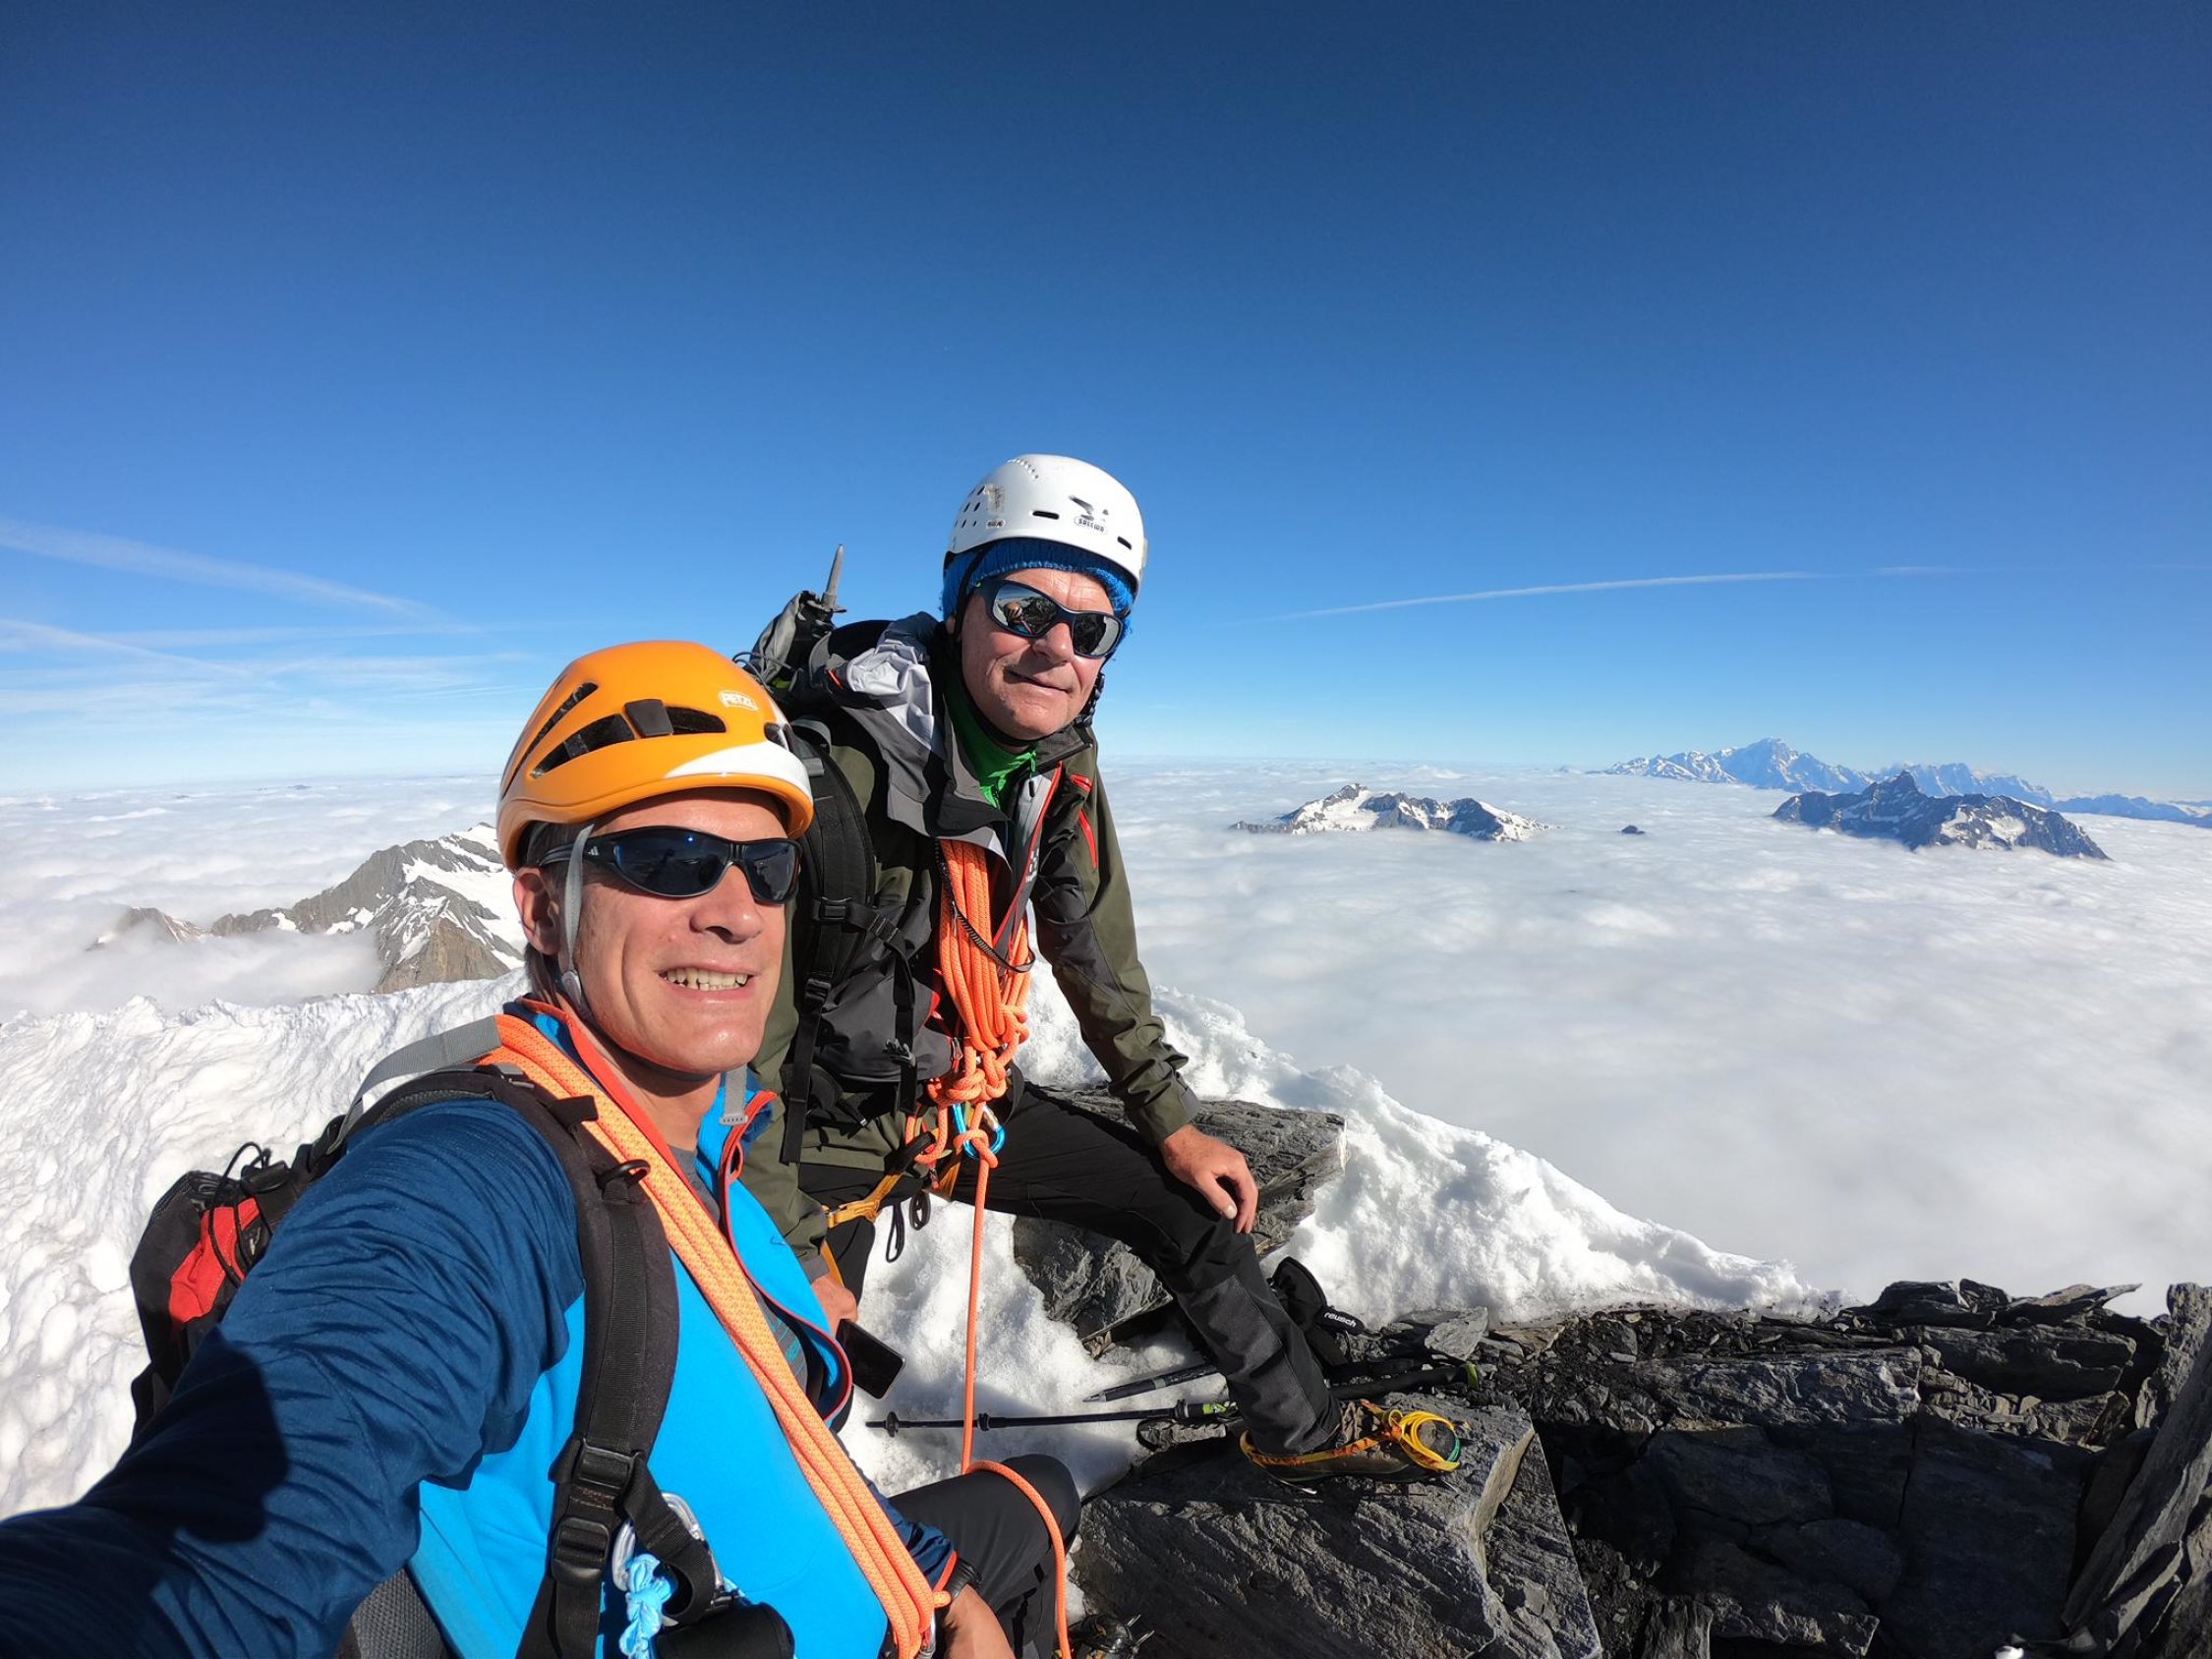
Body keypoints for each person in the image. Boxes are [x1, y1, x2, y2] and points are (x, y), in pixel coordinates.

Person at [0, 641, 1076, 1659]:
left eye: (766, 867)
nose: (738, 912)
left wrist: (939, 1582)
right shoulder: (483, 1172)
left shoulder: (705, 1157)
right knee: (1041, 1506)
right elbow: (223, 1532)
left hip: (885, 1588)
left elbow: (786, 1452)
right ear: (542, 911)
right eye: (670, 861)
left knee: (1037, 1497)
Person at [743, 455, 1459, 1483]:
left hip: (956, 1098)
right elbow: (735, 1054)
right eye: (1025, 608)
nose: (1057, 649)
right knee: (792, 1386)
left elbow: (1092, 948)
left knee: (1190, 1212)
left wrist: (1171, 1119)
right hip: (809, 1129)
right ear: (960, 605)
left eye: (1092, 628)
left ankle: (1303, 1435)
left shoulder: (1059, 764)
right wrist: (793, 1247)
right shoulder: (825, 774)